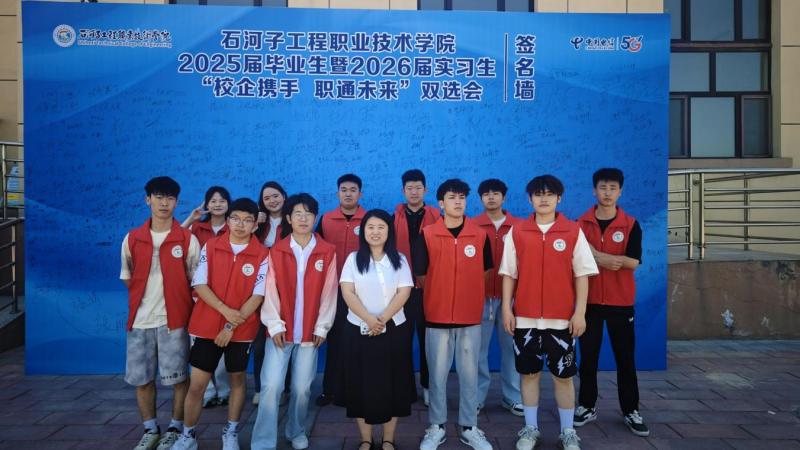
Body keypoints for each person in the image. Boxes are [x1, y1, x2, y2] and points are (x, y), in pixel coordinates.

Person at [499, 175, 598, 450]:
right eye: (538, 194)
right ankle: (531, 429)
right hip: (525, 319)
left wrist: (580, 312)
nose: (544, 199)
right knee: (529, 375)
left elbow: (582, 275)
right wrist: (507, 309)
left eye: (550, 194)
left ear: (559, 198)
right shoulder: (518, 231)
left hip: (562, 320)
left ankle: (568, 432)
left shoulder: (573, 231)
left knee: (563, 377)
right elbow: (509, 273)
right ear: (530, 199)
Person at [172, 198, 269, 450]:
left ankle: (231, 432)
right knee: (197, 386)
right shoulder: (212, 246)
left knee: (237, 381)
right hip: (206, 326)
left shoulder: (262, 254)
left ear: (255, 225)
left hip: (241, 330)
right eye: (235, 218)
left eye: (247, 220)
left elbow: (257, 296)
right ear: (227, 221)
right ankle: (188, 436)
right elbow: (200, 284)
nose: (240, 224)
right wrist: (225, 312)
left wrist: (229, 327)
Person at [251, 193, 338, 450]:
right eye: (297, 214)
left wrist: (322, 326)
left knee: (302, 389)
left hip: (310, 333)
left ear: (315, 217)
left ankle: (296, 430)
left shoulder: (327, 251)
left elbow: (330, 292)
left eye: (308, 214)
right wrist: (274, 324)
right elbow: (269, 290)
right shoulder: (276, 251)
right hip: (280, 331)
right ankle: (263, 440)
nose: (303, 218)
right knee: (271, 387)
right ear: (288, 218)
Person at [120, 176, 200, 450]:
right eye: (158, 197)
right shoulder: (132, 238)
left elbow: (195, 280)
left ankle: (175, 428)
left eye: (170, 198)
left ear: (177, 202)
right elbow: (128, 277)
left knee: (179, 379)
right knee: (142, 380)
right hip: (140, 322)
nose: (164, 203)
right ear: (148, 200)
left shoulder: (187, 239)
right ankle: (150, 429)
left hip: (174, 321)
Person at [415, 179, 494, 450]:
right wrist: (441, 293)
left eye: (462, 197)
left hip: (470, 316)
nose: (458, 202)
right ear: (441, 203)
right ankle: (436, 426)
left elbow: (485, 272)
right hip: (436, 315)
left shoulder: (479, 235)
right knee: (437, 375)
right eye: (452, 197)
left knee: (469, 375)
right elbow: (421, 274)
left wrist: (466, 294)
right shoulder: (427, 234)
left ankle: (469, 426)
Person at [574, 168, 649, 437]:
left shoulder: (630, 224)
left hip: (621, 302)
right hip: (590, 302)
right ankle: (587, 406)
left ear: (620, 192)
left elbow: (633, 262)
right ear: (594, 191)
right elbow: (576, 257)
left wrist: (598, 256)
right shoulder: (580, 224)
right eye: (603, 188)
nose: (607, 193)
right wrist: (611, 260)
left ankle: (630, 410)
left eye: (613, 188)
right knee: (588, 358)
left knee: (625, 359)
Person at [335, 209, 416, 450]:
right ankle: (366, 440)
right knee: (361, 385)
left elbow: (404, 291)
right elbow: (347, 292)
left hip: (394, 331)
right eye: (370, 227)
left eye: (381, 227)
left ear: (389, 231)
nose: (375, 232)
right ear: (363, 231)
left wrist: (381, 320)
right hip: (358, 330)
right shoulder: (353, 259)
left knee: (393, 385)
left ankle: (388, 439)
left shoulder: (400, 260)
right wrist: (369, 320)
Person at [316, 174, 367, 407]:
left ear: (360, 194)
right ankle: (330, 390)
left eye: (353, 190)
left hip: (361, 292)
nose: (348, 193)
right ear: (337, 193)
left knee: (359, 340)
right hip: (332, 290)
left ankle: (358, 389)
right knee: (334, 341)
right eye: (344, 190)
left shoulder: (369, 220)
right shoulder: (326, 220)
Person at [473, 178, 523, 416]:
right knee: (477, 351)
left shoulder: (519, 227)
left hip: (510, 300)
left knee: (511, 349)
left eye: (496, 193)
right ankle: (476, 397)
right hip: (479, 298)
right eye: (486, 194)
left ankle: (512, 397)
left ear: (504, 197)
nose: (491, 197)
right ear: (481, 198)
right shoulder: (472, 226)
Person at [182, 186, 233, 409]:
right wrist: (190, 219)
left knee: (222, 344)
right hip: (199, 295)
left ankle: (224, 390)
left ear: (229, 204)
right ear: (206, 204)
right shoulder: (197, 228)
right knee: (200, 344)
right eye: (213, 201)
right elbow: (175, 239)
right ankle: (208, 391)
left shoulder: (234, 227)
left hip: (225, 296)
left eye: (222, 200)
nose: (218, 204)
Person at [393, 169, 440, 406]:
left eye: (418, 187)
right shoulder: (393, 217)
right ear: (403, 191)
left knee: (427, 341)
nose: (414, 192)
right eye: (409, 188)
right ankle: (404, 388)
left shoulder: (437, 216)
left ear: (425, 190)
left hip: (428, 289)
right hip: (401, 290)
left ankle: (428, 386)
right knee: (401, 340)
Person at [252, 181, 288, 406]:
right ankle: (260, 387)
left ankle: (284, 388)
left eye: (276, 196)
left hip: (285, 287)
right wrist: (255, 224)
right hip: (259, 287)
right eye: (267, 198)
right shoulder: (258, 223)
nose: (272, 201)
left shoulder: (293, 220)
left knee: (285, 338)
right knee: (260, 342)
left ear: (284, 196)